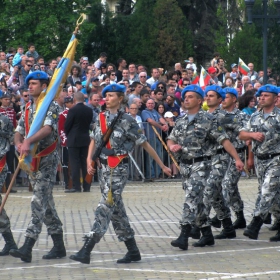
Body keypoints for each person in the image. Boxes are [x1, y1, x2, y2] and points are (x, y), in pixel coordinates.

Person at [69, 84, 171, 265]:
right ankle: (133, 251)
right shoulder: (99, 117)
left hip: (118, 168)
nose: (106, 98)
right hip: (103, 168)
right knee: (117, 212)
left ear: (120, 99)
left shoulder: (127, 120)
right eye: (105, 95)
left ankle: (87, 249)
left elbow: (144, 143)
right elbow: (93, 139)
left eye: (110, 95)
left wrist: (162, 165)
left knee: (105, 206)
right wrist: (89, 161)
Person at [166, 85, 243, 251]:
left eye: (191, 97)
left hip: (202, 165)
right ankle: (207, 234)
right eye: (185, 97)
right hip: (185, 166)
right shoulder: (181, 121)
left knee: (191, 198)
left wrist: (237, 158)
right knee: (198, 202)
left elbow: (224, 140)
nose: (186, 99)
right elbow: (170, 139)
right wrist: (172, 146)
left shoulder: (208, 120)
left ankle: (184, 234)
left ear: (200, 101)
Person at [11, 71, 66, 262]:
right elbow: (18, 130)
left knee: (37, 201)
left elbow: (47, 129)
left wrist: (28, 140)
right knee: (46, 204)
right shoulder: (27, 108)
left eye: (34, 84)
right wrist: (19, 143)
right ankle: (59, 247)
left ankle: (27, 245)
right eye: (29, 84)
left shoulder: (50, 106)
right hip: (32, 161)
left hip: (47, 160)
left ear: (44, 87)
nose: (30, 87)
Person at [239, 84, 280, 241]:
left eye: (266, 95)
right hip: (260, 160)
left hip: (276, 158)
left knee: (267, 190)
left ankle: (256, 223)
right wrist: (252, 135)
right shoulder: (254, 116)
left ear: (275, 98)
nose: (262, 98)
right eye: (261, 95)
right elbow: (242, 135)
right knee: (274, 195)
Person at [64, 91, 93, 193]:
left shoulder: (72, 110)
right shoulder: (89, 110)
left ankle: (76, 187)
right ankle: (87, 186)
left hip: (74, 139)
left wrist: (69, 134)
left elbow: (67, 125)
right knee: (85, 163)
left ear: (74, 100)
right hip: (85, 138)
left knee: (74, 163)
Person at [0, 97, 18, 256]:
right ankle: (10, 242)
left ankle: (10, 242)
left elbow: (10, 137)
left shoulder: (3, 119)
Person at [58, 96, 75, 190]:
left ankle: (75, 181)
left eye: (72, 102)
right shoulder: (63, 114)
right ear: (66, 104)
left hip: (74, 140)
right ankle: (67, 182)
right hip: (67, 142)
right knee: (66, 163)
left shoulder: (76, 113)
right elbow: (61, 130)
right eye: (70, 102)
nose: (72, 104)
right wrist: (65, 141)